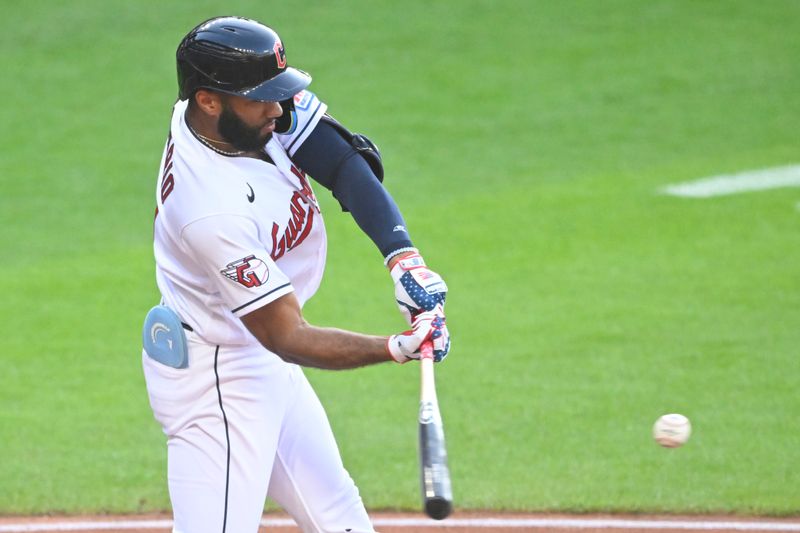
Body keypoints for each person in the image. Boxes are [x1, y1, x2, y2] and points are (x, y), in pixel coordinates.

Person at [141, 15, 450, 533]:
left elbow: (344, 162)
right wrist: (394, 346)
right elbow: (287, 335)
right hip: (219, 379)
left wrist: (403, 258)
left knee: (337, 517)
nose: (278, 109)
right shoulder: (208, 208)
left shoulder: (242, 114)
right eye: (261, 98)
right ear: (208, 100)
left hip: (256, 355)